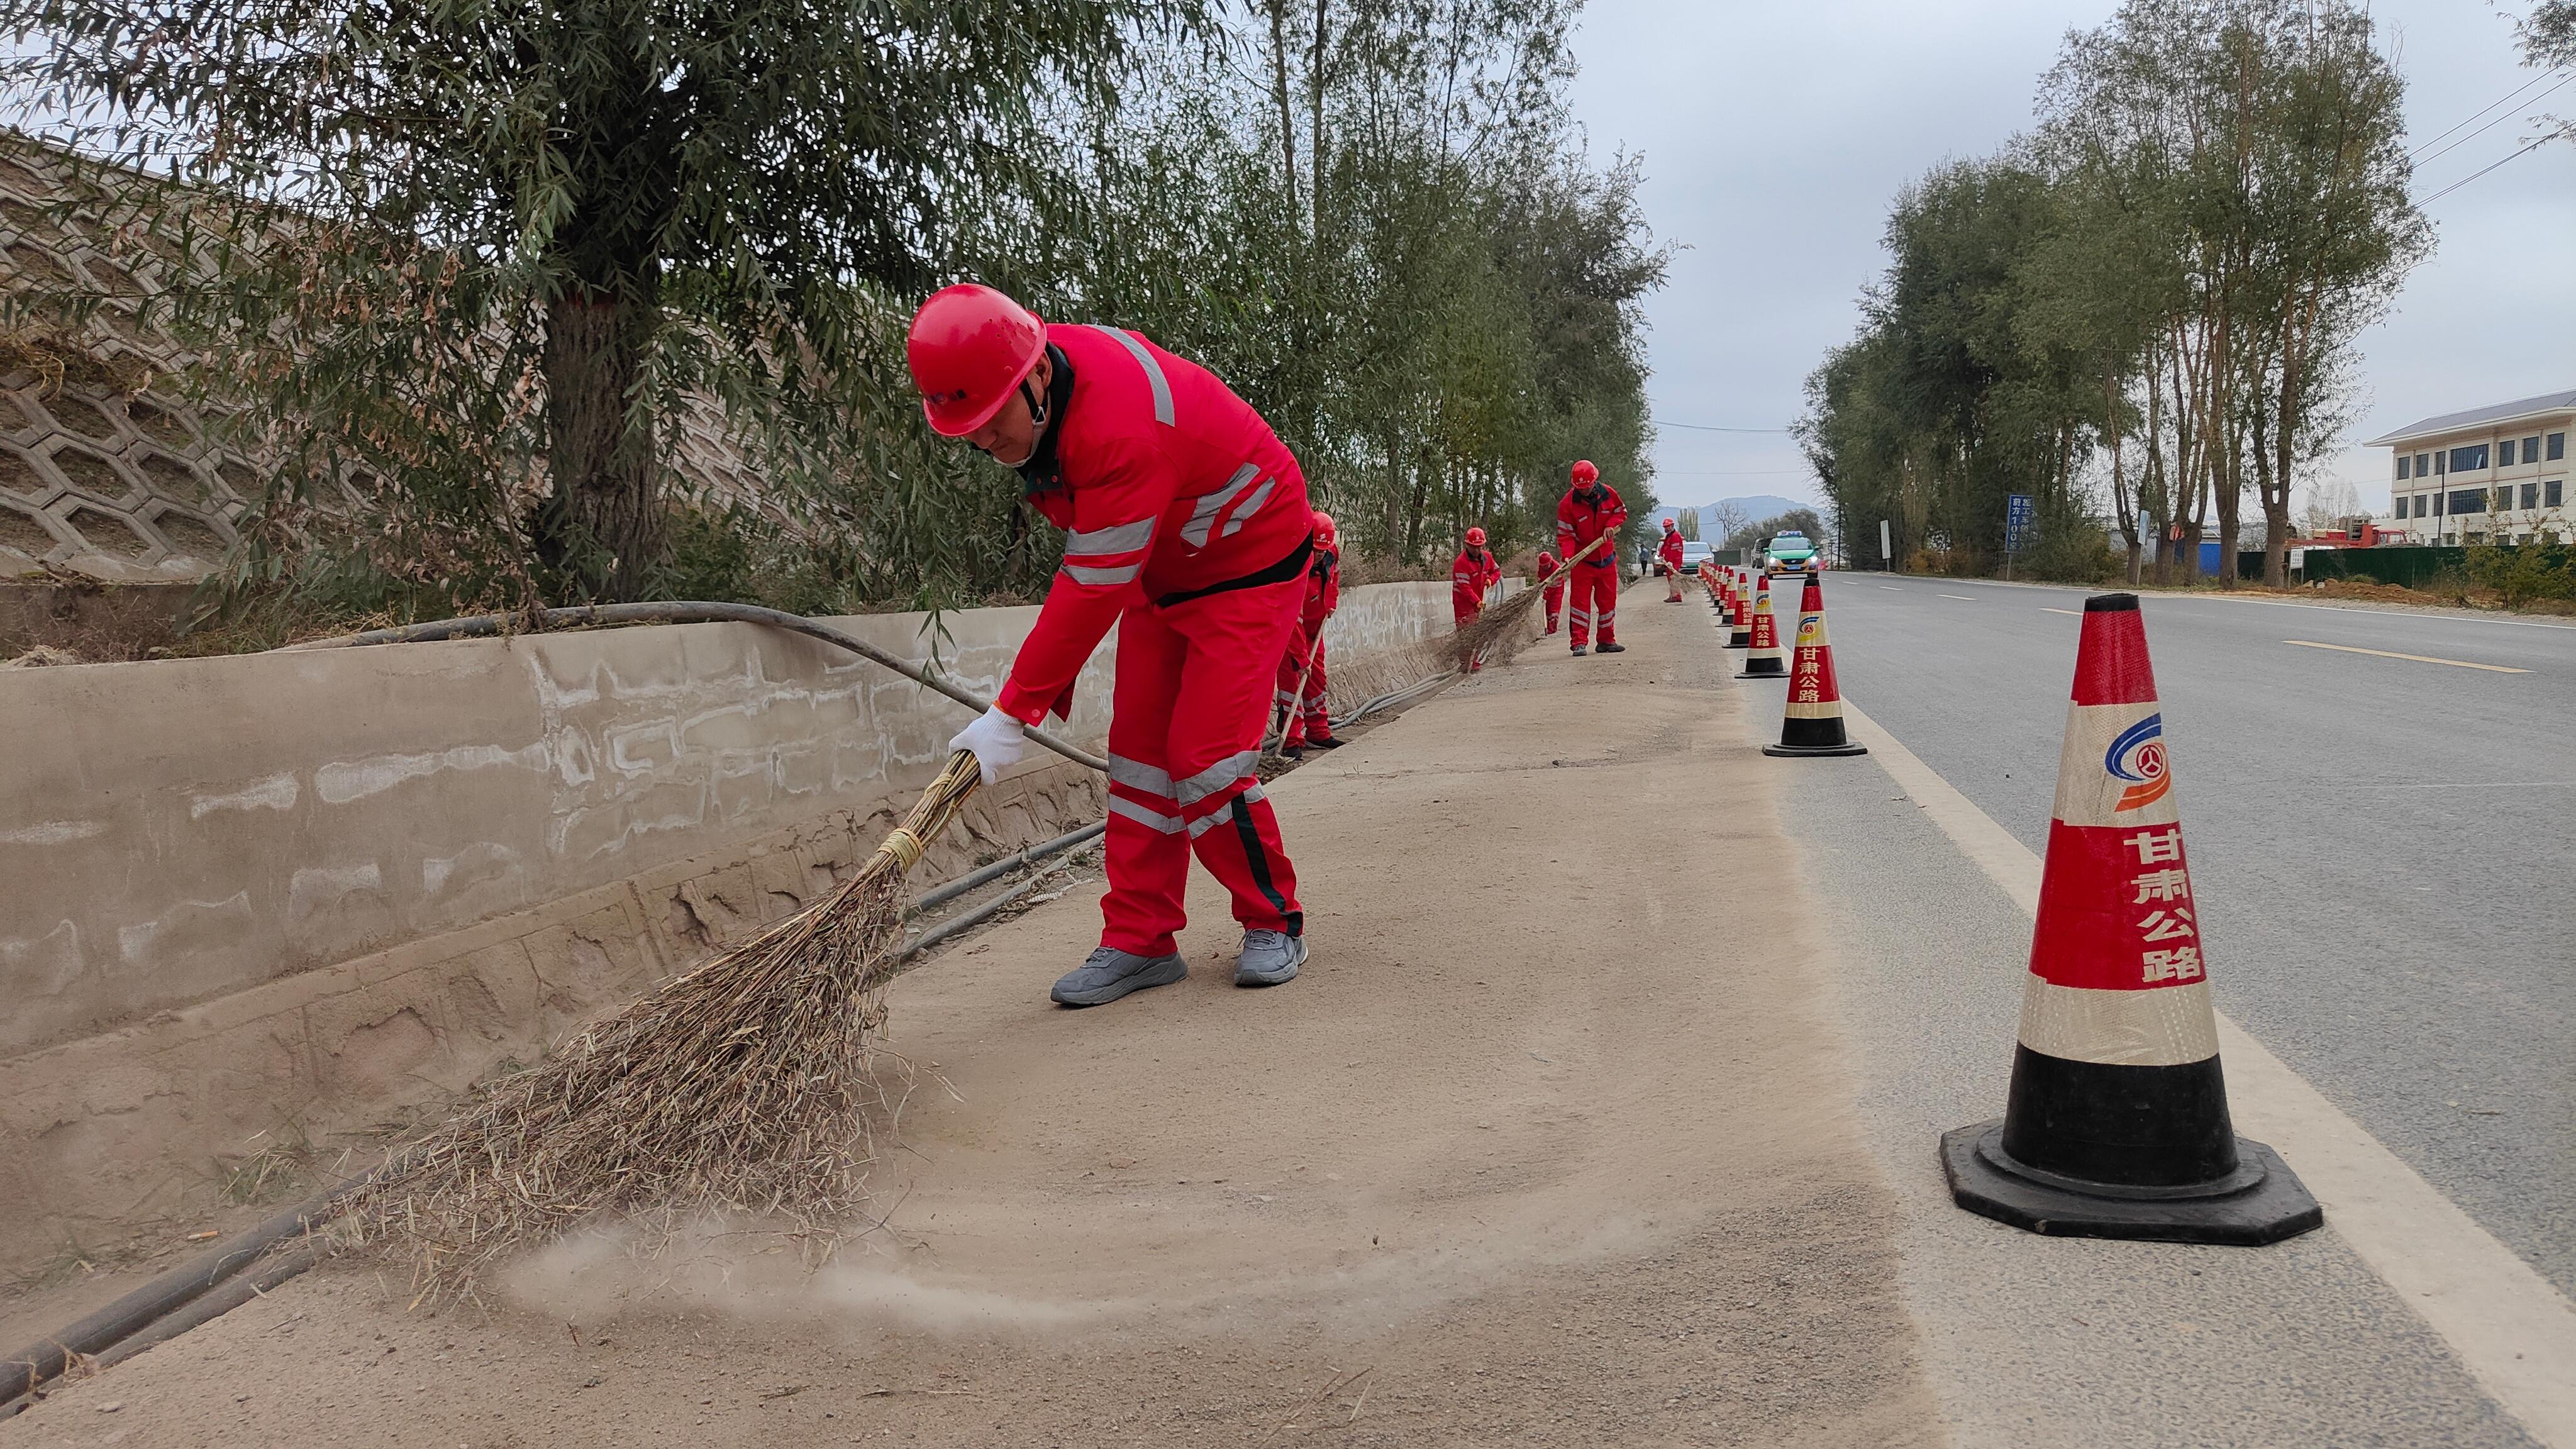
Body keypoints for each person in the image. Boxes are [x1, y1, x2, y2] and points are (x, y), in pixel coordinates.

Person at [911, 283, 1309, 1007]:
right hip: (1163, 570)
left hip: (1248, 561)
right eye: (963, 428)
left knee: (1205, 761)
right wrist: (1036, 690)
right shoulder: (1035, 390)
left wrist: (1014, 711)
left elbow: (1091, 582)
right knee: (1139, 759)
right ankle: (1140, 940)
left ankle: (1271, 920)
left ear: (1034, 378)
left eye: (986, 420)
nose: (980, 441)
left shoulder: (1120, 426)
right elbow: (1095, 562)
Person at [1275, 509, 1343, 759]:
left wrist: (1331, 603)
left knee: (1317, 680)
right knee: (1292, 683)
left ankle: (1319, 731)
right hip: (1290, 634)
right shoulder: (1293, 565)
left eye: (1323, 551)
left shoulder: (1331, 555)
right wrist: (1302, 659)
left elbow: (1334, 580)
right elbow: (1291, 618)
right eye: (1315, 550)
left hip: (1316, 628)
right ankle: (1293, 739)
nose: (1319, 556)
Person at [1556, 460, 1628, 655]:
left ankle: (1606, 641)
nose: (1585, 490)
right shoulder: (1567, 504)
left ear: (1594, 481)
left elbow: (1621, 512)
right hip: (1582, 562)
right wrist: (1568, 556)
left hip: (1607, 560)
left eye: (1587, 486)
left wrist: (1610, 526)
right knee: (1580, 605)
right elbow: (1566, 535)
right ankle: (1579, 643)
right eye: (1581, 487)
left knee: (1608, 603)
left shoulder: (1609, 494)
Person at [1450, 526, 1503, 672]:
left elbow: (1497, 571)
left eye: (1480, 547)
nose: (1478, 550)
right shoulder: (1461, 563)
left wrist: (1490, 581)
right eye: (1474, 547)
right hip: (1464, 603)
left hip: (1479, 599)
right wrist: (1476, 601)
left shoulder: (1487, 558)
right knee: (1466, 631)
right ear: (1467, 545)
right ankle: (1466, 662)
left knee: (1478, 630)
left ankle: (1474, 660)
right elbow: (1464, 587)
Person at [1535, 548, 1565, 635]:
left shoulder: (1557, 568)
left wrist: (1546, 594)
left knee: (1554, 610)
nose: (1544, 567)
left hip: (1557, 590)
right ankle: (1548, 628)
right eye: (1543, 565)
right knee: (1548, 610)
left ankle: (1552, 629)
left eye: (1546, 565)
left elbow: (1554, 585)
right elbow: (1540, 578)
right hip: (1547, 590)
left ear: (1550, 562)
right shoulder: (1542, 567)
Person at [1658, 518, 1687, 602]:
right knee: (1670, 579)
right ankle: (1673, 595)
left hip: (1675, 561)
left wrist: (1671, 561)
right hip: (1669, 561)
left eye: (1668, 526)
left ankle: (1677, 596)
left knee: (1674, 579)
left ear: (1672, 526)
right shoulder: (1669, 536)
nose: (1666, 528)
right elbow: (1665, 546)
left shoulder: (1675, 536)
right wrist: (1661, 555)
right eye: (1665, 527)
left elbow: (1674, 550)